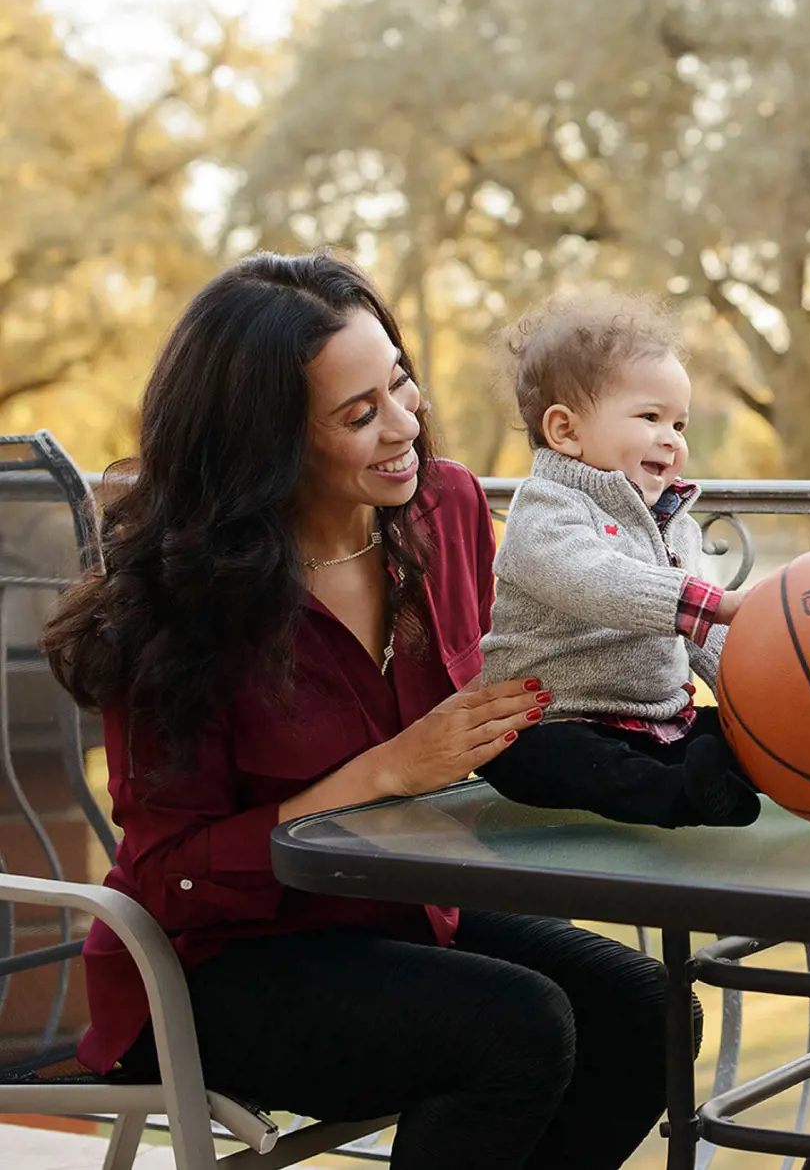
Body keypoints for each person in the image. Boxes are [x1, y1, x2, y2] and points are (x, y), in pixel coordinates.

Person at [42, 252, 695, 1170]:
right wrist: (385, 772)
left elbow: (537, 676)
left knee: (645, 1008)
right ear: (269, 443)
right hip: (211, 967)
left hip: (401, 911)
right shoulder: (181, 601)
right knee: (517, 1029)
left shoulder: (447, 508)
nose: (404, 424)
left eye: (400, 384)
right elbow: (172, 880)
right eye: (359, 414)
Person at [479, 291, 761, 830]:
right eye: (651, 416)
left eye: (680, 425)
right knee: (561, 760)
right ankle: (680, 796)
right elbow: (595, 580)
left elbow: (706, 634)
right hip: (553, 718)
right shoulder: (546, 510)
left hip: (659, 720)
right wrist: (711, 603)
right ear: (567, 431)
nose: (672, 440)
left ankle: (754, 773)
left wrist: (754, 691)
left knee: (740, 731)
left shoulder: (673, 519)